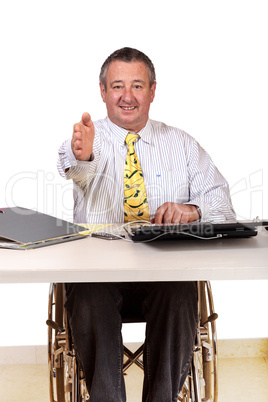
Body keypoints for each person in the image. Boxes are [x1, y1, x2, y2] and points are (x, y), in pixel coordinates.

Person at [58, 47, 235, 401]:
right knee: (89, 292)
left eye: (137, 86)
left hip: (163, 275)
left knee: (181, 288)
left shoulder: (182, 144)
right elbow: (76, 166)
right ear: (102, 91)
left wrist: (193, 209)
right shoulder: (87, 141)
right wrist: (83, 156)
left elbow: (223, 206)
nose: (127, 96)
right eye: (117, 86)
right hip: (99, 277)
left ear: (153, 91)